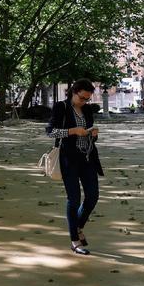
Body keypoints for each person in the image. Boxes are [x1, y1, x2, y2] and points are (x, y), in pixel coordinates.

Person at [46, 78, 103, 255]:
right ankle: (74, 240)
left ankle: (78, 226)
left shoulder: (86, 109)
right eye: (82, 98)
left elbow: (89, 135)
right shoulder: (61, 107)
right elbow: (50, 131)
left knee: (92, 196)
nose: (85, 102)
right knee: (74, 199)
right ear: (74, 91)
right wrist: (72, 131)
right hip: (68, 159)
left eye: (88, 99)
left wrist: (93, 134)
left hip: (87, 158)